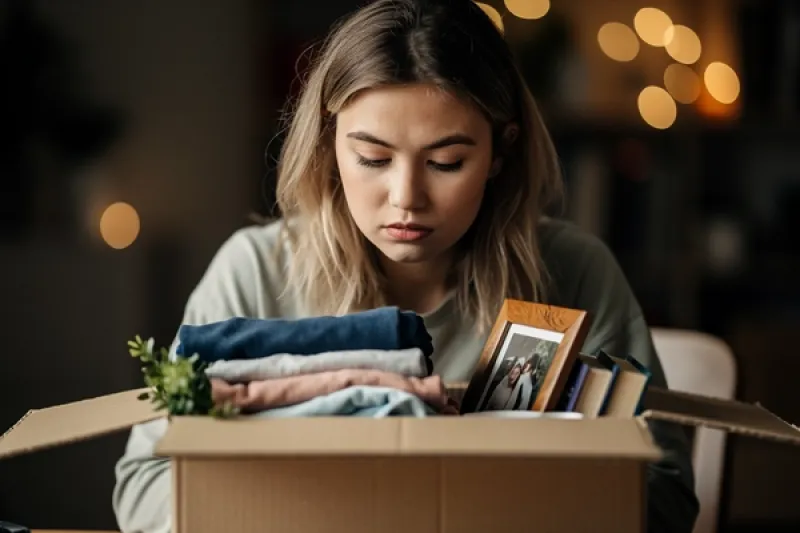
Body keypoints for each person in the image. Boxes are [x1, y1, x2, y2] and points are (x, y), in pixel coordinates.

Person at [112, 1, 699, 532]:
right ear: (328, 146)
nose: (405, 197)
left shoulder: (573, 272)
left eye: (446, 162)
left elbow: (664, 496)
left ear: (500, 152)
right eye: (371, 158)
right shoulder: (256, 270)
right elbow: (143, 488)